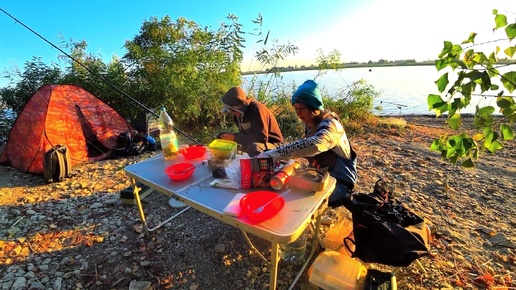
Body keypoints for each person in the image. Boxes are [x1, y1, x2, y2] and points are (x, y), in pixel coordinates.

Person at [257, 80, 357, 207]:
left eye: (303, 108)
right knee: (278, 187)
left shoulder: (331, 126)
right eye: (296, 108)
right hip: (319, 177)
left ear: (314, 108)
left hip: (340, 184)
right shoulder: (311, 124)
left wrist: (275, 154)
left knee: (295, 202)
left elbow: (315, 145)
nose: (298, 113)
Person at [217, 86, 284, 157]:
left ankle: (260, 165)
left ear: (239, 106)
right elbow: (244, 135)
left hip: (272, 144)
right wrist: (231, 137)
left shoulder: (257, 109)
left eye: (232, 109)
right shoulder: (237, 116)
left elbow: (262, 138)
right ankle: (226, 161)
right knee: (221, 136)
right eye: (229, 110)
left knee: (253, 148)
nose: (231, 112)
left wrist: (235, 137)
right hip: (254, 143)